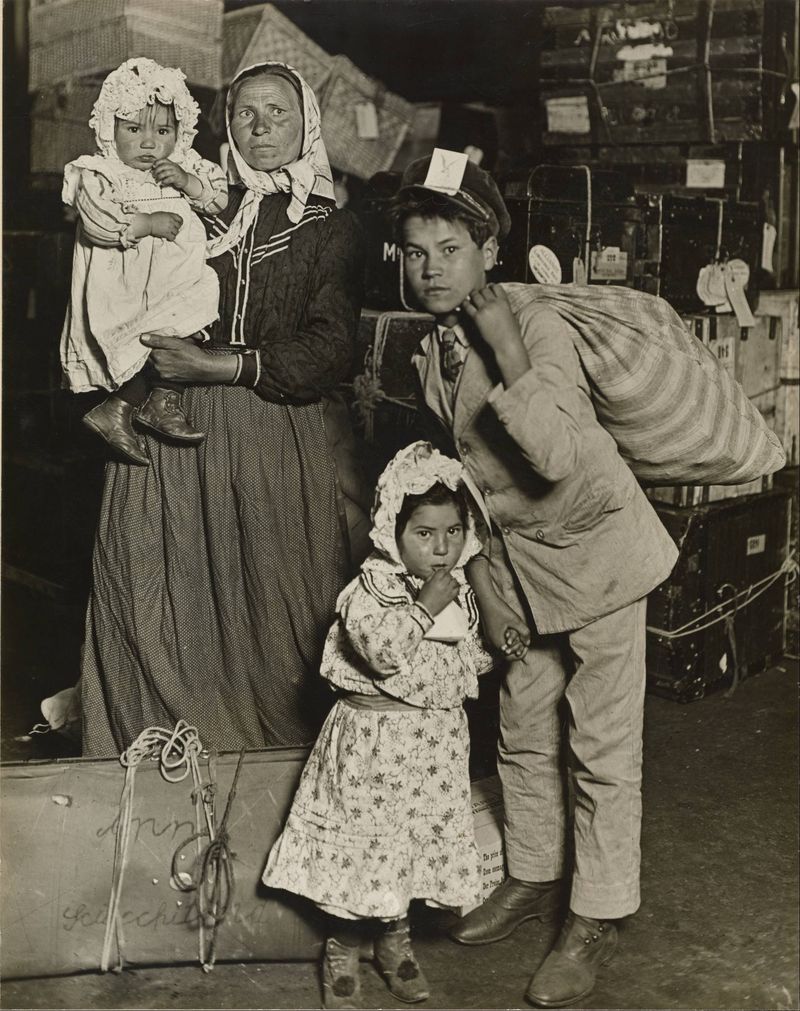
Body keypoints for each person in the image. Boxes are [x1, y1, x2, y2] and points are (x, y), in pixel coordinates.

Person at [393, 152, 679, 1008]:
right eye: (414, 251)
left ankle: (595, 914)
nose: (431, 267)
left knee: (601, 747)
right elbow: (460, 482)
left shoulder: (537, 323)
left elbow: (552, 453)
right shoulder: (430, 349)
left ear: (489, 247)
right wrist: (482, 581)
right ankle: (530, 875)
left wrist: (507, 343)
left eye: (449, 246)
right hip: (519, 567)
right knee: (520, 726)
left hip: (598, 555)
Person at [78, 61, 366, 756]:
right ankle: (159, 758)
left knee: (275, 609)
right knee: (156, 593)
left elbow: (331, 350)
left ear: (307, 125)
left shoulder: (333, 227)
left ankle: (272, 778)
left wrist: (221, 363)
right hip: (169, 429)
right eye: (245, 114)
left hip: (272, 430)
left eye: (278, 113)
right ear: (224, 125)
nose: (261, 127)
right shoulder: (195, 203)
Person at [262, 440, 494, 1009]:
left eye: (452, 532)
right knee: (366, 852)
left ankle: (396, 942)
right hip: (374, 748)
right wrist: (424, 608)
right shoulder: (370, 590)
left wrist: (491, 644)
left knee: (410, 847)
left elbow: (462, 661)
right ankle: (342, 946)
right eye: (424, 534)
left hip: (431, 749)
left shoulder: (461, 589)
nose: (441, 549)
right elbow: (382, 652)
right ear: (393, 531)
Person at [60, 57, 228, 463]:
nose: (149, 143)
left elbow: (220, 200)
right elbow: (98, 223)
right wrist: (147, 223)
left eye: (163, 131)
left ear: (180, 133)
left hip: (178, 277)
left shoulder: (185, 165)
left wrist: (188, 183)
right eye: (134, 129)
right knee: (143, 342)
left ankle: (153, 402)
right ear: (110, 130)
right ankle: (121, 405)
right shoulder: (99, 172)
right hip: (126, 285)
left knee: (194, 315)